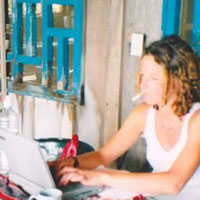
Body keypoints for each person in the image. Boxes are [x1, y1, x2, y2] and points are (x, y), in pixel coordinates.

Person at [50, 35, 200, 200]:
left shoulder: (196, 119)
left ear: (178, 81)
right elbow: (103, 155)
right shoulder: (144, 114)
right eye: (142, 76)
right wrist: (69, 164)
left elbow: (174, 183)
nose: (143, 85)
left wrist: (103, 176)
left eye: (154, 78)